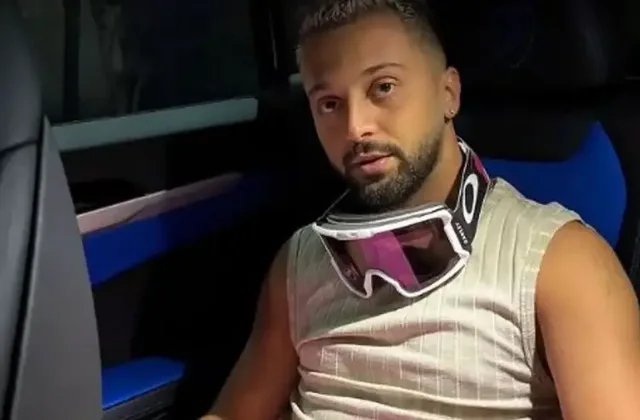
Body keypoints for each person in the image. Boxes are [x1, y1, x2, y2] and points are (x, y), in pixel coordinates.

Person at [201, 0, 640, 419]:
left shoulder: (563, 264)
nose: (355, 128)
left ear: (449, 93)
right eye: (329, 104)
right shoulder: (298, 262)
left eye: (383, 87)